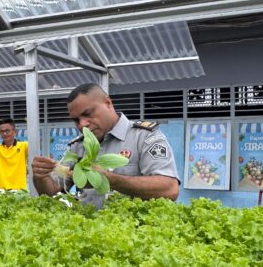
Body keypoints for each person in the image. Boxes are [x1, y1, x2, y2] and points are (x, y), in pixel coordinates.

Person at [32, 83, 179, 209]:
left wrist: (107, 179)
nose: (82, 124)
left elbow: (169, 189)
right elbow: (51, 191)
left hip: (132, 235)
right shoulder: (78, 146)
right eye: (76, 120)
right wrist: (40, 177)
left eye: (88, 113)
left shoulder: (144, 137)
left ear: (108, 103)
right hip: (90, 236)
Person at [0, 118, 28, 191]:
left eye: (7, 131)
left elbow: (36, 149)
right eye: (2, 131)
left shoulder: (24, 146)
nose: (4, 134)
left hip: (19, 190)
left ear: (14, 131)